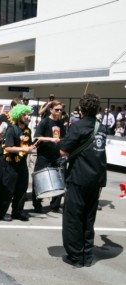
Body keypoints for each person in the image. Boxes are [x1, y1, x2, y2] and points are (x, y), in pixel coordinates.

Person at [60, 93, 107, 268]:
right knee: (89, 218)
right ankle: (87, 255)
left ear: (81, 108)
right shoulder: (100, 127)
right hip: (96, 178)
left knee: (73, 218)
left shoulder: (77, 126)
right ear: (97, 109)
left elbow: (63, 151)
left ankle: (76, 256)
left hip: (79, 177)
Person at [0, 104, 37, 222]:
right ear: (18, 115)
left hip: (22, 164)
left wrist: (32, 146)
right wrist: (24, 149)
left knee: (22, 189)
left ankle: (17, 212)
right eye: (24, 114)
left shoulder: (27, 130)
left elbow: (27, 145)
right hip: (10, 165)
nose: (27, 116)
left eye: (28, 114)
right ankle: (1, 213)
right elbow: (8, 147)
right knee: (8, 190)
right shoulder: (11, 129)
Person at [32, 100, 66, 213]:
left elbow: (64, 138)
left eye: (61, 109)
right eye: (57, 109)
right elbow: (37, 137)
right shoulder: (45, 122)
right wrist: (50, 139)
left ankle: (55, 205)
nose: (59, 111)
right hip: (44, 156)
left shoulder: (60, 123)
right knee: (39, 179)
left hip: (56, 156)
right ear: (51, 110)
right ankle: (37, 204)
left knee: (60, 180)